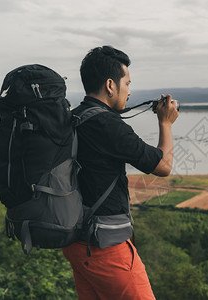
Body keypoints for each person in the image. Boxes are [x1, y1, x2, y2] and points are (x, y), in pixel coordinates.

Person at [62, 45, 179, 299]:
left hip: (77, 244)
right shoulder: (107, 125)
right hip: (107, 248)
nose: (129, 90)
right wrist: (165, 123)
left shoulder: (75, 117)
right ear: (110, 85)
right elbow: (163, 166)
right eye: (127, 82)